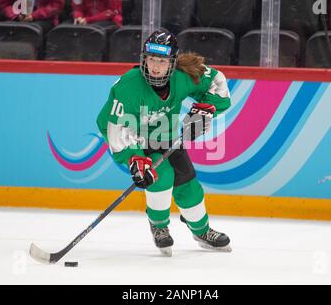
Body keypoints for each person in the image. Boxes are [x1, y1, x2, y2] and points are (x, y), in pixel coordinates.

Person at [96, 30, 232, 256]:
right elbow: (111, 125)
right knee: (161, 177)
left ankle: (201, 230)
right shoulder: (128, 87)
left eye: (162, 61)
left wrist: (207, 108)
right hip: (137, 140)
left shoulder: (183, 76)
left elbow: (216, 82)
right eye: (151, 59)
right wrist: (135, 158)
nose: (156, 66)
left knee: (188, 185)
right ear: (144, 59)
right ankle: (159, 227)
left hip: (168, 139)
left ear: (172, 62)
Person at [0, 0, 65, 30]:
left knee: (30, 31)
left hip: (44, 19)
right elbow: (4, 3)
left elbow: (57, 5)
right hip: (17, 18)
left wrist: (34, 16)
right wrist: (15, 15)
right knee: (7, 29)